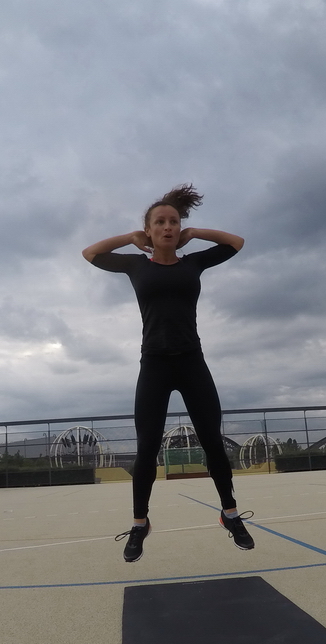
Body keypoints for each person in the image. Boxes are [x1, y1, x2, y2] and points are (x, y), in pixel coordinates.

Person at [82, 184, 254, 562]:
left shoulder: (193, 263)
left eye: (174, 222)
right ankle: (139, 523)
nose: (167, 227)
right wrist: (130, 238)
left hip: (192, 362)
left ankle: (230, 514)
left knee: (212, 442)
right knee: (147, 448)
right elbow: (90, 253)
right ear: (149, 229)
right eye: (159, 222)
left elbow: (237, 243)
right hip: (155, 364)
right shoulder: (136, 265)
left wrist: (196, 233)